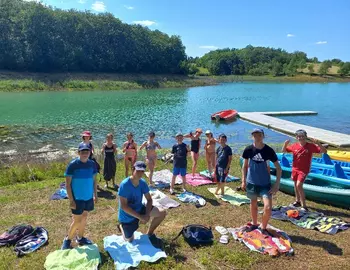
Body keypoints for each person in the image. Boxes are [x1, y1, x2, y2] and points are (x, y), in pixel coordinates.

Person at [241, 128, 281, 234]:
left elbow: (278, 168)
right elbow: (244, 166)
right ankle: (254, 224)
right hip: (251, 182)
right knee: (253, 203)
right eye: (255, 135)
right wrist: (243, 180)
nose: (257, 137)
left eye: (259, 135)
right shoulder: (248, 149)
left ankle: (263, 228)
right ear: (252, 136)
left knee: (267, 207)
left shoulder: (268, 150)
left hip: (265, 184)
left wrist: (276, 185)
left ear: (263, 136)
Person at [118, 161, 166, 248]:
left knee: (162, 212)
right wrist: (141, 217)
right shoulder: (124, 184)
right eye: (138, 170)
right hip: (127, 216)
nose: (140, 173)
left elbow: (149, 200)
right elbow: (124, 206)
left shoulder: (142, 183)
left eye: (142, 171)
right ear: (133, 170)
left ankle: (149, 234)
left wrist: (147, 215)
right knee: (129, 240)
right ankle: (121, 226)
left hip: (139, 209)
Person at [61, 143, 98, 249]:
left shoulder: (92, 164)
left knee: (85, 217)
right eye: (82, 152)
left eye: (87, 151)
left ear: (90, 152)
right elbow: (67, 184)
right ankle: (67, 240)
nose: (85, 154)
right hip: (77, 199)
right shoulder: (73, 165)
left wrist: (95, 195)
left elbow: (94, 180)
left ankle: (80, 238)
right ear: (78, 153)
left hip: (88, 197)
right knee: (77, 221)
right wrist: (71, 200)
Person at [282, 129, 327, 210]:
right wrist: (285, 144)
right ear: (296, 137)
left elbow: (324, 151)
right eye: (299, 136)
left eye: (302, 136)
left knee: (299, 185)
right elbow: (284, 151)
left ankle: (304, 206)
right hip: (295, 169)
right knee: (295, 185)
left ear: (306, 137)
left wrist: (318, 143)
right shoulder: (294, 145)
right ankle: (297, 201)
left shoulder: (310, 146)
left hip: (304, 170)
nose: (301, 138)